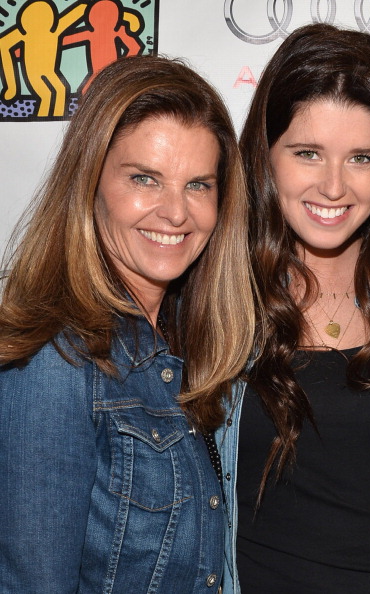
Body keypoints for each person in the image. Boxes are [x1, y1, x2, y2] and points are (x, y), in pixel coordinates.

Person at [0, 55, 255, 592]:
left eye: (198, 185)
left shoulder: (189, 345)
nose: (176, 213)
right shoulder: (56, 361)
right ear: (90, 182)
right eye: (145, 178)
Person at [216, 23, 370, 594]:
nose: (334, 186)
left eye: (361, 157)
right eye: (308, 153)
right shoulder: (216, 303)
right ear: (265, 157)